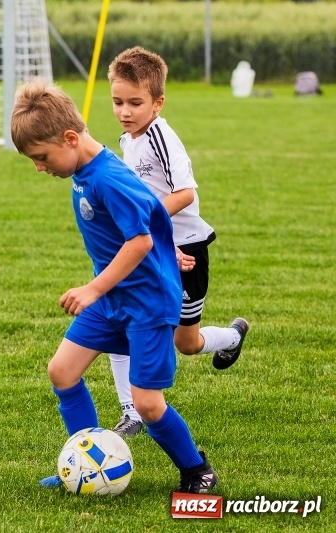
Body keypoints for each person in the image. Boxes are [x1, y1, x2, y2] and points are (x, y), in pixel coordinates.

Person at [10, 79, 217, 494]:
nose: (40, 167)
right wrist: (167, 248)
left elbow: (139, 241)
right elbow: (150, 215)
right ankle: (85, 461)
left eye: (42, 157)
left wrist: (93, 289)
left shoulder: (107, 177)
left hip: (146, 303)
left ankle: (197, 469)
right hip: (113, 299)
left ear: (70, 139)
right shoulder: (87, 168)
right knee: (62, 371)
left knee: (147, 404)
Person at [106, 46, 249, 437]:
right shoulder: (129, 138)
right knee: (122, 322)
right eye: (118, 102)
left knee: (186, 342)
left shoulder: (161, 137)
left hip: (186, 248)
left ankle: (232, 336)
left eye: (135, 103)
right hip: (149, 246)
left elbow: (185, 193)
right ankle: (132, 412)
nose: (125, 111)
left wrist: (148, 224)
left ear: (158, 102)